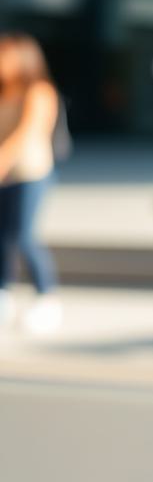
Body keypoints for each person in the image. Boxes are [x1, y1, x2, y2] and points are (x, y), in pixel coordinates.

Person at [0, 32, 63, 334]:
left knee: (24, 236)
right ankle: (5, 294)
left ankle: (46, 297)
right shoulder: (4, 92)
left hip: (30, 173)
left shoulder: (39, 90)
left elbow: (26, 134)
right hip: (5, 175)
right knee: (2, 239)